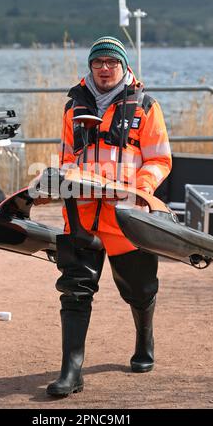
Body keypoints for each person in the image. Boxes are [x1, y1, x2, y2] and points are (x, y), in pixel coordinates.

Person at [46, 36, 172, 397]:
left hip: (127, 216)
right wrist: (64, 176)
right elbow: (68, 157)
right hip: (81, 214)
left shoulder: (146, 106)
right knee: (74, 289)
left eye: (111, 62)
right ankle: (72, 370)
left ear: (123, 66)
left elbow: (160, 159)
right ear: (91, 67)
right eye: (98, 62)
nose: (104, 68)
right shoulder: (73, 106)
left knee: (140, 288)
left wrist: (138, 188)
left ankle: (144, 339)